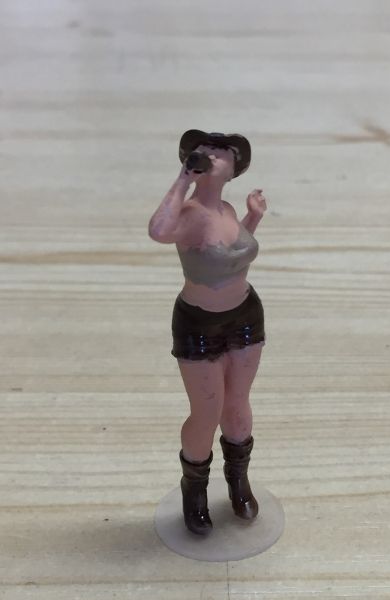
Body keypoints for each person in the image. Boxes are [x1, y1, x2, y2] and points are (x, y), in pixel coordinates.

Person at [148, 130, 267, 535]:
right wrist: (183, 179)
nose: (213, 156)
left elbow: (234, 254)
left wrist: (253, 216)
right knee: (207, 411)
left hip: (245, 315)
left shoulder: (229, 211)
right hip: (199, 322)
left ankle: (238, 482)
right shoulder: (188, 214)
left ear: (235, 167)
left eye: (222, 152)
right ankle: (194, 491)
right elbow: (158, 231)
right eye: (205, 151)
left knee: (237, 404)